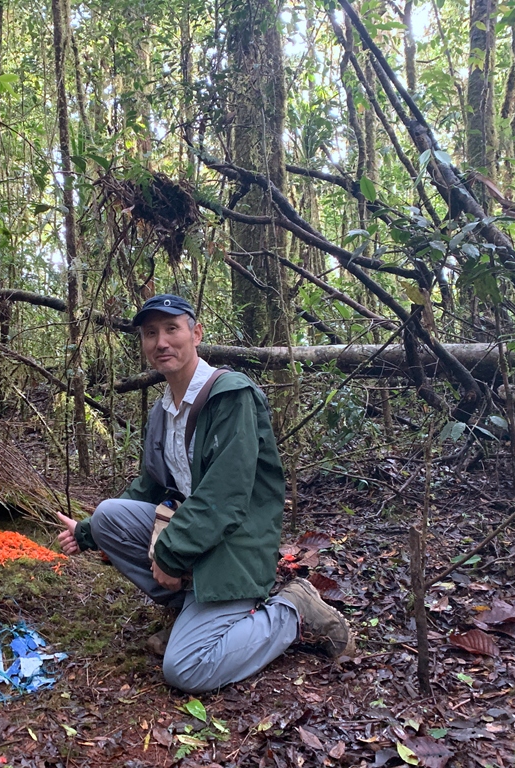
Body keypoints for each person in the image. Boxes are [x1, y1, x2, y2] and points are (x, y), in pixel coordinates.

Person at [57, 294, 353, 694]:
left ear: (195, 333)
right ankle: (195, 614)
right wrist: (89, 532)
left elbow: (226, 495)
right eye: (150, 333)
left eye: (171, 329)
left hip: (236, 541)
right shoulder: (162, 411)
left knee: (186, 670)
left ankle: (292, 609)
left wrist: (171, 552)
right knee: (110, 515)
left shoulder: (231, 396)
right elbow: (151, 486)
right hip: (201, 533)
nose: (161, 342)